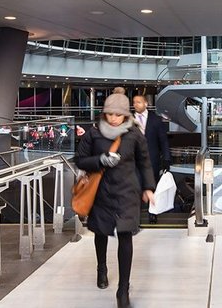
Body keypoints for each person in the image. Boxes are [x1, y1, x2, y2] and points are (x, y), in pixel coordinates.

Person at [75, 92, 155, 308]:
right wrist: (100, 160)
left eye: (117, 114)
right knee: (100, 232)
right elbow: (80, 159)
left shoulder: (134, 134)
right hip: (101, 192)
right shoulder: (93, 134)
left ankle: (123, 289)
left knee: (125, 235)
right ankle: (101, 268)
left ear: (125, 114)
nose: (113, 118)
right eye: (109, 114)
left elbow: (144, 162)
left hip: (127, 192)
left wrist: (148, 187)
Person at [132, 94, 170, 223]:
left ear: (146, 104)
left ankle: (152, 213)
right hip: (133, 161)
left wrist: (167, 159)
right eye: (134, 102)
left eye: (139, 102)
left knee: (152, 187)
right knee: (135, 187)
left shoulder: (156, 120)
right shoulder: (129, 120)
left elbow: (163, 141)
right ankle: (134, 216)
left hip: (152, 160)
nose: (136, 104)